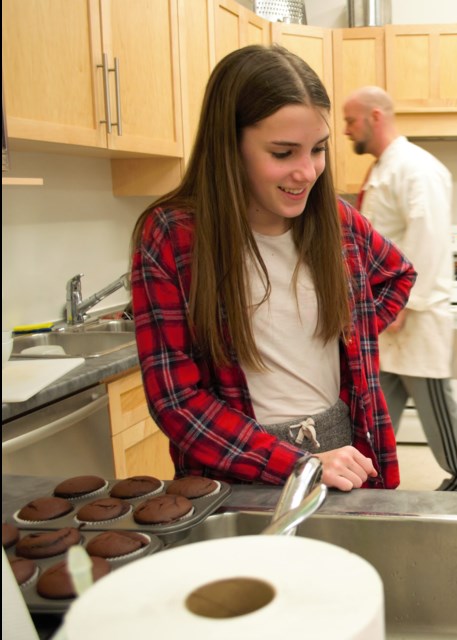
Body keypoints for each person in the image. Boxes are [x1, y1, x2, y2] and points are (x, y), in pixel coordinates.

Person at [130, 45, 416, 492]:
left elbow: (398, 274)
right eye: (283, 153)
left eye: (318, 149)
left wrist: (350, 338)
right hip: (236, 469)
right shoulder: (174, 234)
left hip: (342, 453)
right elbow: (176, 401)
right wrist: (293, 462)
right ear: (230, 145)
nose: (307, 172)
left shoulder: (336, 223)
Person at [342, 86, 457, 492]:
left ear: (375, 116)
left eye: (350, 120)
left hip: (413, 317)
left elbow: (429, 239)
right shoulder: (385, 169)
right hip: (387, 320)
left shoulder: (416, 168)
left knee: (442, 421)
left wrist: (401, 305)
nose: (345, 130)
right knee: (372, 418)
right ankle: (365, 490)